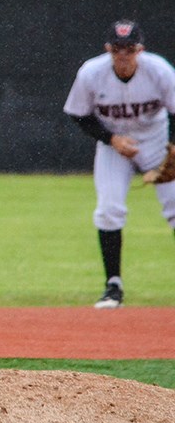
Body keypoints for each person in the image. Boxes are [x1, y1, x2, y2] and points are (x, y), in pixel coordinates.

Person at [63, 19, 175, 309]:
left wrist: (171, 152)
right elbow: (78, 114)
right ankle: (113, 286)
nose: (123, 55)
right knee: (109, 210)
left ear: (140, 49)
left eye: (129, 48)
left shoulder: (160, 71)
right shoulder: (91, 73)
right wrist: (111, 139)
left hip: (156, 141)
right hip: (115, 146)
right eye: (117, 49)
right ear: (108, 49)